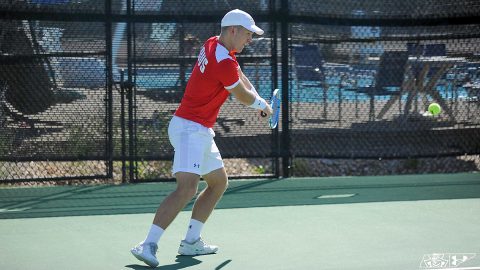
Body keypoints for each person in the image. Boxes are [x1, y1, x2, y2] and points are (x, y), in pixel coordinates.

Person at [131, 9, 273, 267]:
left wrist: (261, 103)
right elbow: (240, 94)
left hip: (199, 129)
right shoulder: (223, 61)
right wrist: (261, 103)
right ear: (233, 30)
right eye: (248, 34)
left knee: (218, 183)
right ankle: (148, 244)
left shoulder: (213, 44)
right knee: (186, 189)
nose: (249, 40)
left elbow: (240, 77)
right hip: (189, 129)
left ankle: (191, 241)